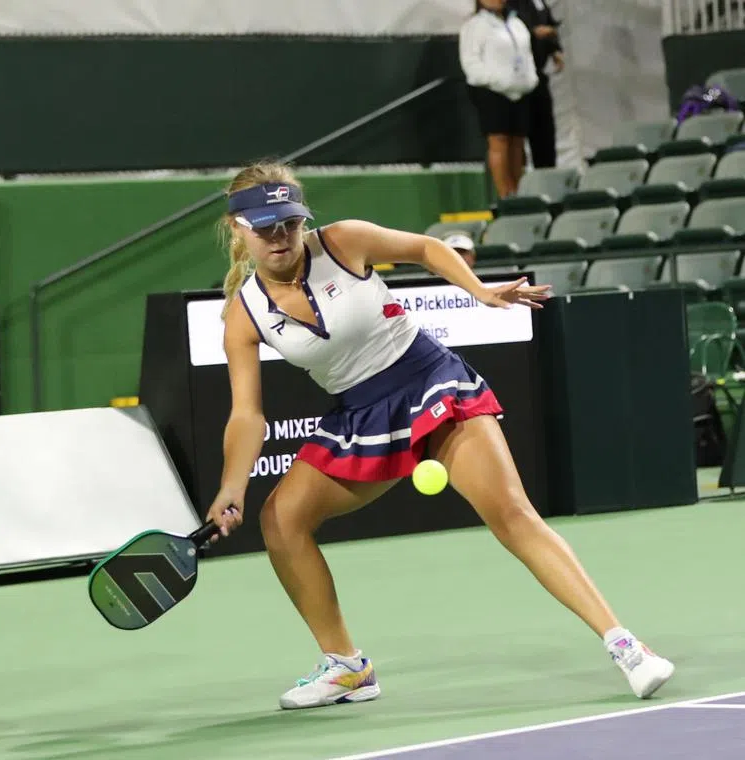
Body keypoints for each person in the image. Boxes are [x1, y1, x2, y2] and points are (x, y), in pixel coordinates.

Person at [205, 161, 676, 711]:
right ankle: (347, 667)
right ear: (237, 227)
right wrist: (231, 487)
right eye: (265, 226)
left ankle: (627, 646)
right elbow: (247, 416)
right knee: (281, 521)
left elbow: (427, 249)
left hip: (430, 381)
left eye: (288, 222)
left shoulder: (342, 241)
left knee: (512, 515)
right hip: (359, 413)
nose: (280, 236)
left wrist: (478, 290)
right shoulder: (244, 315)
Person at [459, 0, 539, 198]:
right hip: (492, 92)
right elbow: (471, 63)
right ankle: (505, 195)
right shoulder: (475, 26)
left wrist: (530, 79)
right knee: (499, 140)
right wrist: (496, 80)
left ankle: (519, 194)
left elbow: (527, 55)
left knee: (517, 142)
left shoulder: (516, 23)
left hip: (520, 91)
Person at [508, 0, 564, 169]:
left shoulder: (538, 1)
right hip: (513, 77)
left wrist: (554, 48)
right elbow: (507, 28)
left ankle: (547, 175)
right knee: (515, 138)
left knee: (544, 133)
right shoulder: (507, 3)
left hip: (536, 75)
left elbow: (548, 21)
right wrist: (533, 33)